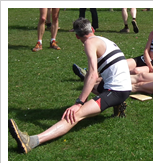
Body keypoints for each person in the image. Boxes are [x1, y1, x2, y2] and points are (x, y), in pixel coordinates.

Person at [9, 17, 132, 154]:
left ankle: (31, 141)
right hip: (123, 86)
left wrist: (79, 102)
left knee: (75, 115)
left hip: (117, 91)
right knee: (89, 85)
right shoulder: (104, 40)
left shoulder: (89, 43)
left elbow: (93, 75)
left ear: (76, 36)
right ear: (92, 29)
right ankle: (118, 105)